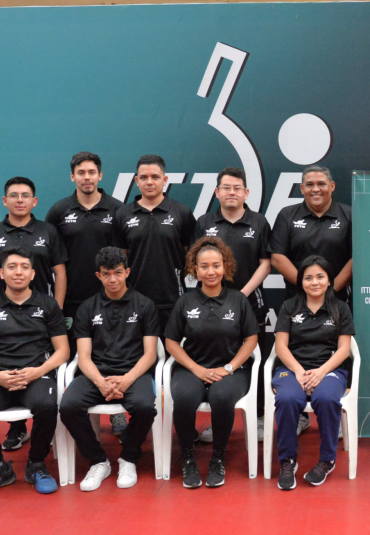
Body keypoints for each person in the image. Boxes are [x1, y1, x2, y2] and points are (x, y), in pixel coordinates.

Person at [0, 248, 69, 499]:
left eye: (23, 267)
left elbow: (62, 351)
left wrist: (37, 372)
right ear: (1, 273)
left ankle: (36, 464)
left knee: (46, 405)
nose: (17, 272)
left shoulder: (47, 304)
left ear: (32, 274)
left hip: (36, 375)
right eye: (11, 267)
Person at [0, 176, 68, 450]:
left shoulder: (48, 231)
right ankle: (16, 429)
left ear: (34, 201)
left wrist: (57, 310)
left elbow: (60, 274)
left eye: (25, 195)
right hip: (2, 315)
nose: (19, 200)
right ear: (4, 201)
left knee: (37, 369)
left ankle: (43, 428)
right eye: (13, 195)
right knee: (7, 365)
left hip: (41, 315)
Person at [60, 247, 161, 491]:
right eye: (106, 274)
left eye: (118, 272)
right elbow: (82, 357)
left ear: (127, 272)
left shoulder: (145, 305)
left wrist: (126, 380)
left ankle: (128, 457)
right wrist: (101, 382)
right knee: (68, 406)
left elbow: (150, 354)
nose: (113, 279)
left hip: (134, 372)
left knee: (146, 407)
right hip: (96, 373)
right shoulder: (87, 308)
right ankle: (98, 461)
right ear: (98, 276)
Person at [165, 238, 259, 488]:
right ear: (195, 270)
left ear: (225, 267)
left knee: (221, 398)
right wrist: (196, 369)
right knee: (184, 398)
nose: (210, 271)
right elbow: (171, 342)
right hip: (192, 368)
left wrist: (229, 368)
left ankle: (218, 458)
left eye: (216, 265)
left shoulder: (238, 299)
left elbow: (251, 339)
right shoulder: (185, 302)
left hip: (231, 370)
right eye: (204, 266)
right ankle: (188, 459)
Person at [46, 151, 128, 437]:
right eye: (81, 173)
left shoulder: (117, 210)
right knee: (76, 360)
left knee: (113, 355)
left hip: (112, 300)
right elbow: (52, 259)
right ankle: (76, 413)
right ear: (73, 177)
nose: (87, 177)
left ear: (100, 175)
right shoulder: (59, 211)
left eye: (92, 172)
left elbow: (125, 256)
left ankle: (117, 411)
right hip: (73, 301)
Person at [193, 167, 272, 443]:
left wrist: (241, 294)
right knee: (216, 355)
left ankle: (260, 416)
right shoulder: (204, 222)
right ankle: (219, 417)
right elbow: (197, 263)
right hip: (211, 303)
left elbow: (266, 263)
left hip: (251, 301)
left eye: (237, 188)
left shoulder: (259, 222)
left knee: (257, 358)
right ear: (217, 192)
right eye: (226, 188)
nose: (231, 192)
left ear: (246, 193)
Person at [272, 255, 355, 490]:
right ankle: (288, 461)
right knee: (288, 398)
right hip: (292, 369)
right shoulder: (289, 306)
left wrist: (320, 372)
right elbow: (281, 346)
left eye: (320, 276)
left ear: (329, 281)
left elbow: (344, 349)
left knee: (327, 398)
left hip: (329, 369)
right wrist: (299, 371)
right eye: (308, 278)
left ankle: (327, 461)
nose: (314, 282)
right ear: (301, 282)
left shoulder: (341, 308)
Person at [114, 155, 197, 329]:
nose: (149, 182)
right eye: (144, 177)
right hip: (134, 300)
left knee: (172, 353)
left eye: (155, 177)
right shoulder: (123, 214)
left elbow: (191, 256)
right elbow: (120, 258)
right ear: (137, 180)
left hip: (174, 299)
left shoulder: (182, 212)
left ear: (165, 180)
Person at [268, 166, 351, 302]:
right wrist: (307, 288)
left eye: (321, 184)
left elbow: (355, 259)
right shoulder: (287, 215)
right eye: (309, 185)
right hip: (297, 299)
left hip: (337, 300)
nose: (316, 189)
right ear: (302, 188)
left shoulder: (349, 215)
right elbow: (277, 257)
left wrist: (331, 290)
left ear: (332, 186)